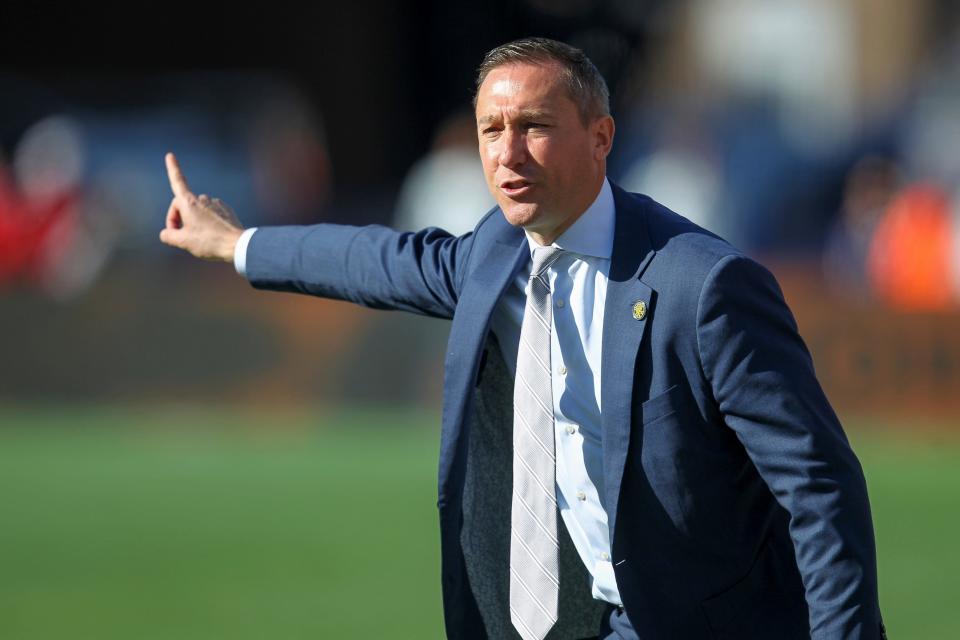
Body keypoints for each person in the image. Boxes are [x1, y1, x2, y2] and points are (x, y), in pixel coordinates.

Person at [159, 38, 885, 640]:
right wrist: (235, 244)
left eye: (534, 126)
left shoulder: (706, 286)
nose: (508, 154)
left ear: (600, 137)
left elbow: (819, 487)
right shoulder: (492, 255)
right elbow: (372, 261)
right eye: (490, 130)